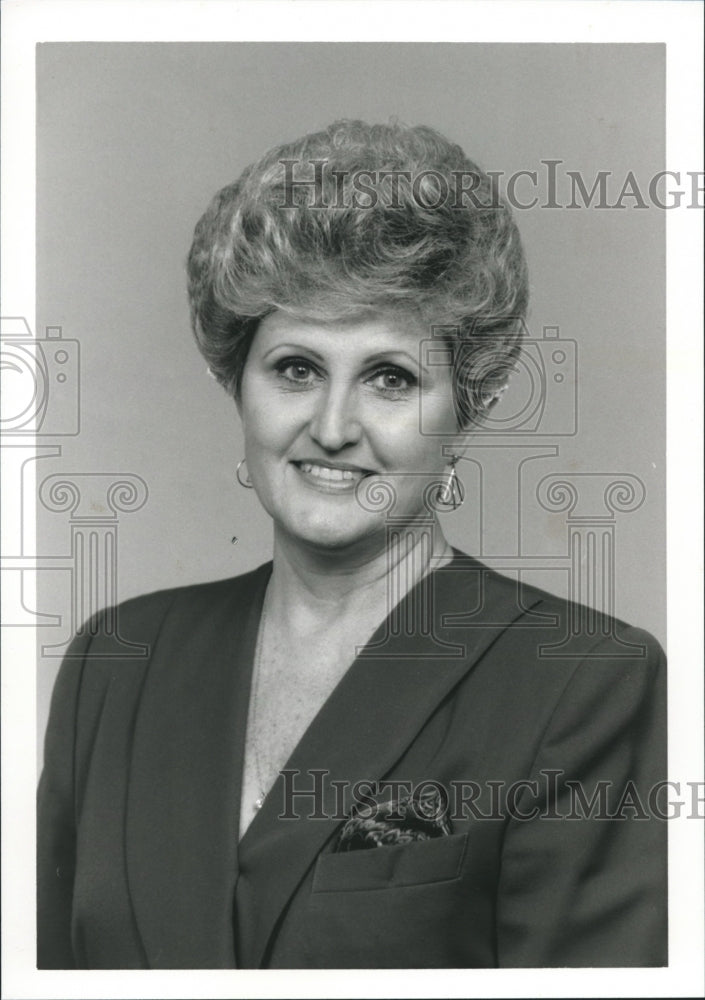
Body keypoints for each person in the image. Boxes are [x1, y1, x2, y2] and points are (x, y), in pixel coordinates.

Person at [37, 120, 666, 970]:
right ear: (240, 387)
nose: (332, 428)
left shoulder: (577, 680)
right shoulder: (117, 664)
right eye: (296, 367)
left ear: (462, 412)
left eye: (390, 378)